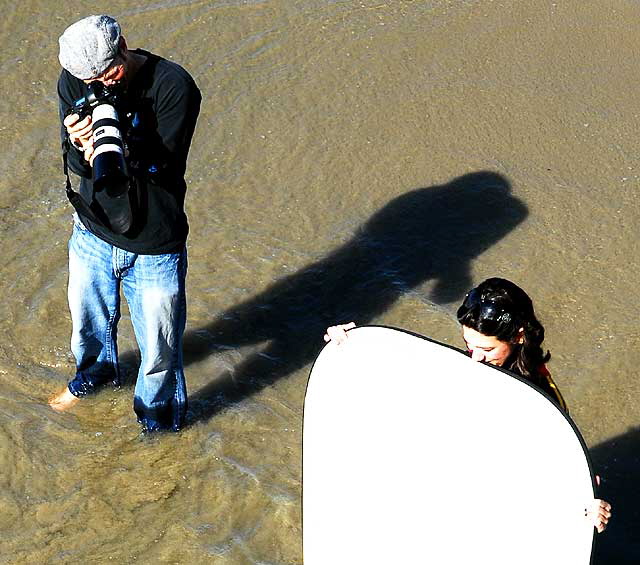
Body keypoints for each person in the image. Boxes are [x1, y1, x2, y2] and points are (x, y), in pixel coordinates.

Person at [324, 277, 612, 533]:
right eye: (468, 344)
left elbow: (556, 462)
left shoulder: (541, 399)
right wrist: (352, 348)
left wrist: (585, 501)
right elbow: (404, 385)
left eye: (487, 349)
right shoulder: (470, 362)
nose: (474, 357)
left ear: (519, 337)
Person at [49, 14, 201, 432]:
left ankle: (158, 422)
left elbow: (163, 166)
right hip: (93, 231)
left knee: (158, 350)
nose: (102, 82)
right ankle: (92, 379)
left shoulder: (173, 86)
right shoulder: (74, 80)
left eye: (108, 71)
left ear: (123, 46)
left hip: (155, 243)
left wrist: (117, 134)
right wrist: (82, 143)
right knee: (88, 326)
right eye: (91, 78)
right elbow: (77, 164)